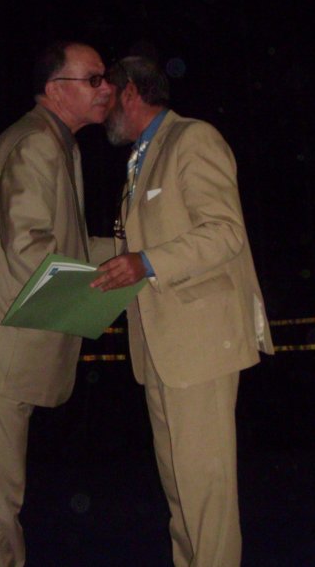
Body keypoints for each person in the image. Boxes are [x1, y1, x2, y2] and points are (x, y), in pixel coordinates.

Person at [0, 41, 114, 566]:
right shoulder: (37, 144)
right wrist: (90, 298)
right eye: (94, 79)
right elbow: (29, 249)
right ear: (56, 89)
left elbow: (65, 246)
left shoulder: (51, 141)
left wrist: (136, 256)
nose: (107, 88)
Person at [92, 56, 274, 566]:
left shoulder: (193, 138)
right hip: (161, 346)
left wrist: (146, 262)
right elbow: (139, 247)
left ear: (131, 92)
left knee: (204, 491)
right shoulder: (142, 157)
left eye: (108, 96)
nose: (103, 108)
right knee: (180, 489)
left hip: (199, 342)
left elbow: (225, 232)